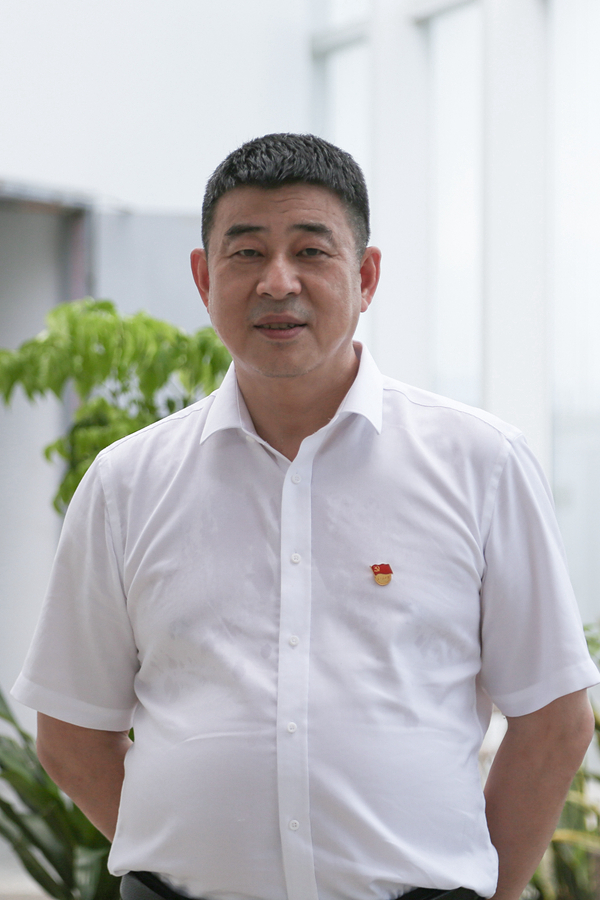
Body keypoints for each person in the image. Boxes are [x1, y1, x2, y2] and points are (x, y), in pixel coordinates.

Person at [12, 133, 599, 900]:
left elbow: (554, 721)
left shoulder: (482, 464)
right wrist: (188, 854)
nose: (277, 282)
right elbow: (71, 732)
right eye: (246, 252)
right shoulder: (127, 483)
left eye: (311, 252)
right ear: (204, 277)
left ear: (366, 275)